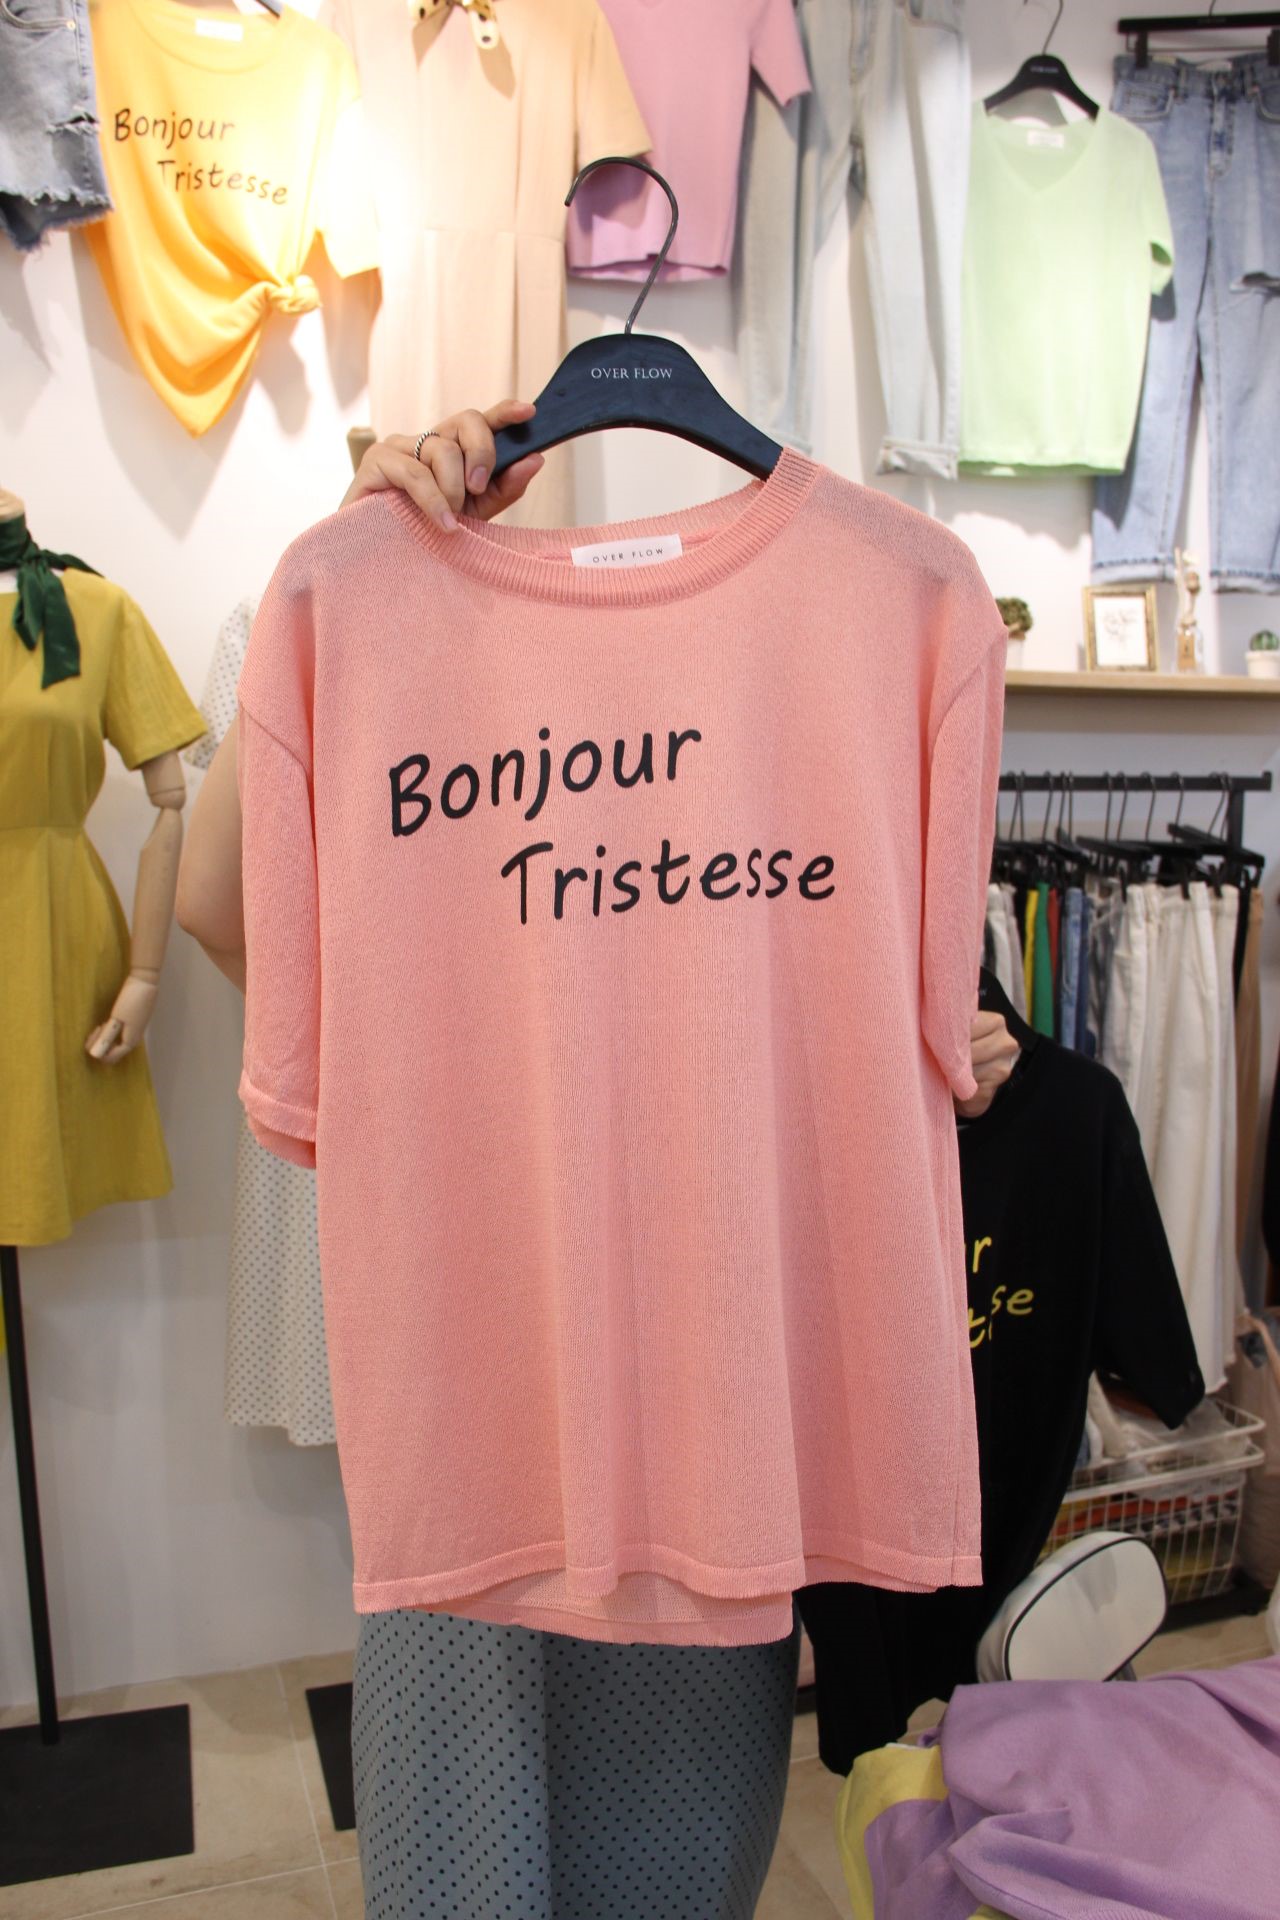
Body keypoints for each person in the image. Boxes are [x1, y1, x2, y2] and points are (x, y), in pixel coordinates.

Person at [175, 401, 1017, 1917]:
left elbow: (918, 1027)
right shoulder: (358, 606)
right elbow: (223, 918)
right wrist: (366, 572)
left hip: (682, 1477)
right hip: (518, 1471)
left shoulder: (910, 605)